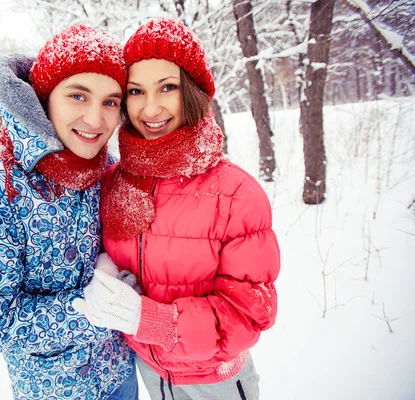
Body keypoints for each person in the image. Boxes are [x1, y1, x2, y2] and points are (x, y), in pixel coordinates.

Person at [72, 19, 280, 400]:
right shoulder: (115, 182)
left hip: (215, 383)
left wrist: (148, 320)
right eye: (136, 91)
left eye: (167, 87)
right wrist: (105, 266)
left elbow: (249, 315)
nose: (150, 108)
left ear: (192, 92)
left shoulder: (235, 193)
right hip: (149, 372)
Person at [0, 25, 138, 400]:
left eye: (111, 101)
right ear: (45, 98)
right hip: (54, 389)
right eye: (78, 95)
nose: (96, 119)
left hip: (120, 372)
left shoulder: (98, 163)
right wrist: (85, 312)